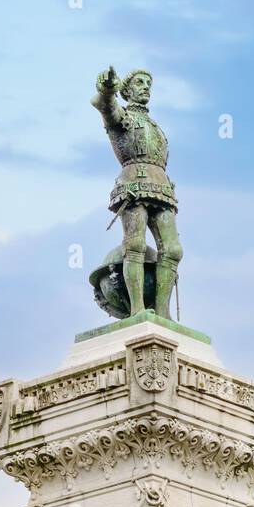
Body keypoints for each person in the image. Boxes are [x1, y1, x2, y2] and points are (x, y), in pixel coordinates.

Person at [91, 67, 183, 319]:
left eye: (148, 83)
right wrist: (107, 89)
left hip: (161, 185)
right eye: (140, 83)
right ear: (127, 90)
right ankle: (137, 310)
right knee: (136, 245)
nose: (145, 87)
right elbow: (104, 106)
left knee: (173, 249)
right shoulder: (122, 117)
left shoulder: (154, 125)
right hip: (133, 184)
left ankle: (162, 312)